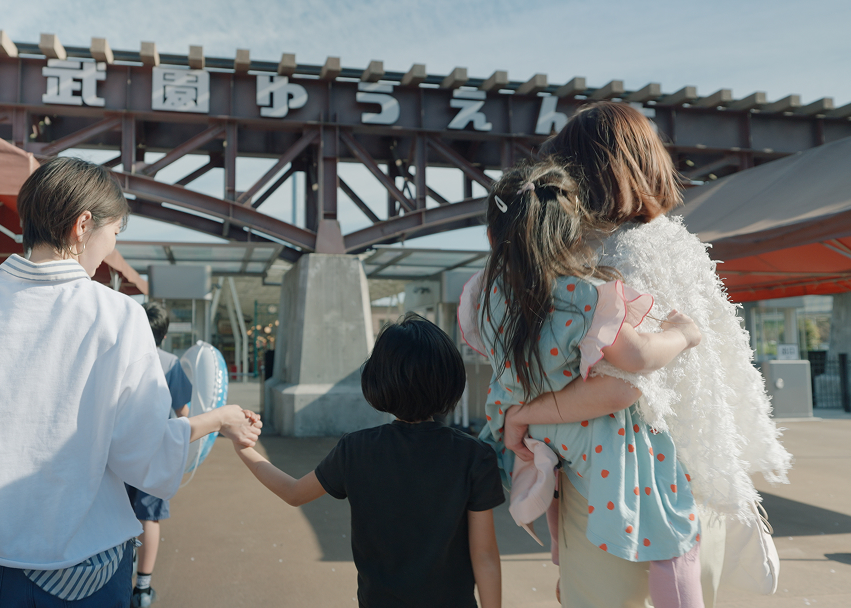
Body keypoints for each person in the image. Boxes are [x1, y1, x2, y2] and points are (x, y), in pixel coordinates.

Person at [0, 157, 261, 607]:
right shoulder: (119, 316)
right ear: (83, 225)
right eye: (114, 234)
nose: (110, 248)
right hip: (85, 567)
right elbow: (144, 455)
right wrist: (217, 420)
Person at [503, 102, 791, 607]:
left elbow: (620, 387)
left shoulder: (613, 257)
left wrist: (523, 413)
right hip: (695, 484)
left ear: (585, 173)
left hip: (623, 491)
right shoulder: (683, 247)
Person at [459, 160, 706, 607]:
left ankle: (566, 563)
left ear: (493, 237)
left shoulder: (487, 297)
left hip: (536, 437)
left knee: (556, 488)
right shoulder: (582, 294)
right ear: (573, 234)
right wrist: (683, 335)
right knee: (674, 530)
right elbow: (636, 360)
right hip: (593, 435)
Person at [234, 313, 504, 608]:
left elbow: (294, 492)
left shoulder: (355, 449)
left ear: (379, 378)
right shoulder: (474, 456)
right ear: (450, 379)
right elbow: (484, 556)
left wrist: (243, 447)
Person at [126, 301, 191, 607]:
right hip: (154, 452)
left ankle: (118, 574)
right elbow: (183, 413)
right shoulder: (170, 363)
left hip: (121, 450)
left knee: (118, 512)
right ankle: (142, 588)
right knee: (149, 518)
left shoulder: (123, 358)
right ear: (163, 335)